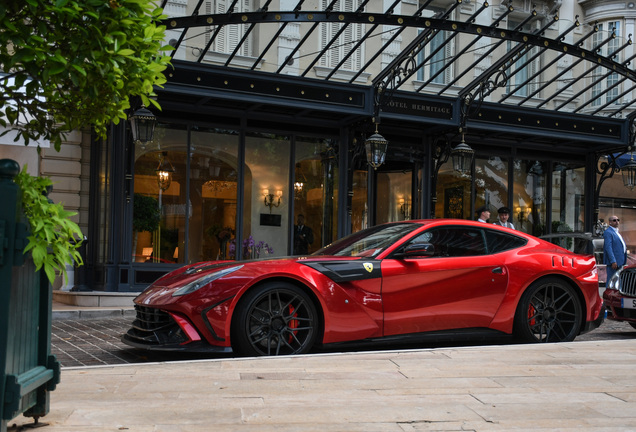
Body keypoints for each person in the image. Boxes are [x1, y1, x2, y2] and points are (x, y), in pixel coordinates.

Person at [603, 215, 627, 282]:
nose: (616, 222)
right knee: (611, 280)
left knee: (618, 281)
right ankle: (608, 292)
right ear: (610, 222)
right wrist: (613, 261)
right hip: (614, 263)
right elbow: (608, 247)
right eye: (614, 220)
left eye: (618, 220)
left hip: (620, 261)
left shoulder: (616, 232)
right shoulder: (608, 232)